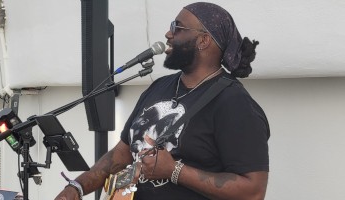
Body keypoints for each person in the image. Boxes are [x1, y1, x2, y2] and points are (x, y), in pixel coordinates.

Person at [55, 2, 269, 200]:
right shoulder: (160, 86)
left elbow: (254, 191)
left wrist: (175, 171)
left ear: (203, 41)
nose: (168, 33)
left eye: (177, 27)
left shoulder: (234, 103)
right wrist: (77, 187)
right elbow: (123, 153)